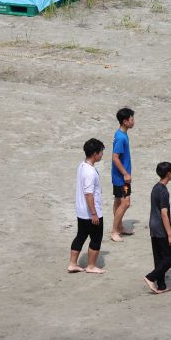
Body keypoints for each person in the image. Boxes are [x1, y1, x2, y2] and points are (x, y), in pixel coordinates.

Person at [68, 139, 106, 274]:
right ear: (95, 154)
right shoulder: (90, 172)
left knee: (81, 236)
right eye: (101, 152)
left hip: (81, 211)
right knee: (96, 238)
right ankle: (91, 266)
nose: (102, 155)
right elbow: (89, 194)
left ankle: (72, 264)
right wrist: (94, 214)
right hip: (91, 213)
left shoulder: (82, 165)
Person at [144, 162, 171, 294]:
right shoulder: (164, 191)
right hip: (161, 228)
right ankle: (150, 277)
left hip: (153, 226)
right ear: (168, 173)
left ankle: (161, 285)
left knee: (159, 257)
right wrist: (170, 234)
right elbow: (164, 214)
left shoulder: (155, 187)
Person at [110, 107, 135, 242]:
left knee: (118, 200)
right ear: (125, 121)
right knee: (125, 203)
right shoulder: (121, 138)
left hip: (117, 176)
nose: (133, 121)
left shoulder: (121, 134)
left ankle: (119, 227)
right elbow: (115, 157)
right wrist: (125, 173)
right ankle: (114, 231)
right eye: (132, 119)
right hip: (122, 178)